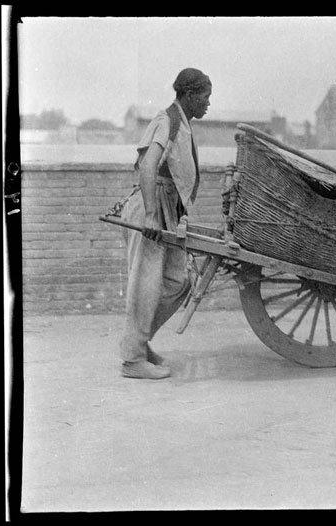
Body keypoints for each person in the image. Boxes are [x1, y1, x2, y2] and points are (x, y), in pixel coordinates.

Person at [119, 68, 212, 379]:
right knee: (145, 284)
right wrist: (148, 214)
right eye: (205, 97)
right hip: (151, 205)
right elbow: (147, 166)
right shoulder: (167, 120)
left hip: (167, 209)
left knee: (177, 281)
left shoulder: (182, 124)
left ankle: (138, 345)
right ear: (188, 95)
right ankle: (133, 360)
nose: (208, 104)